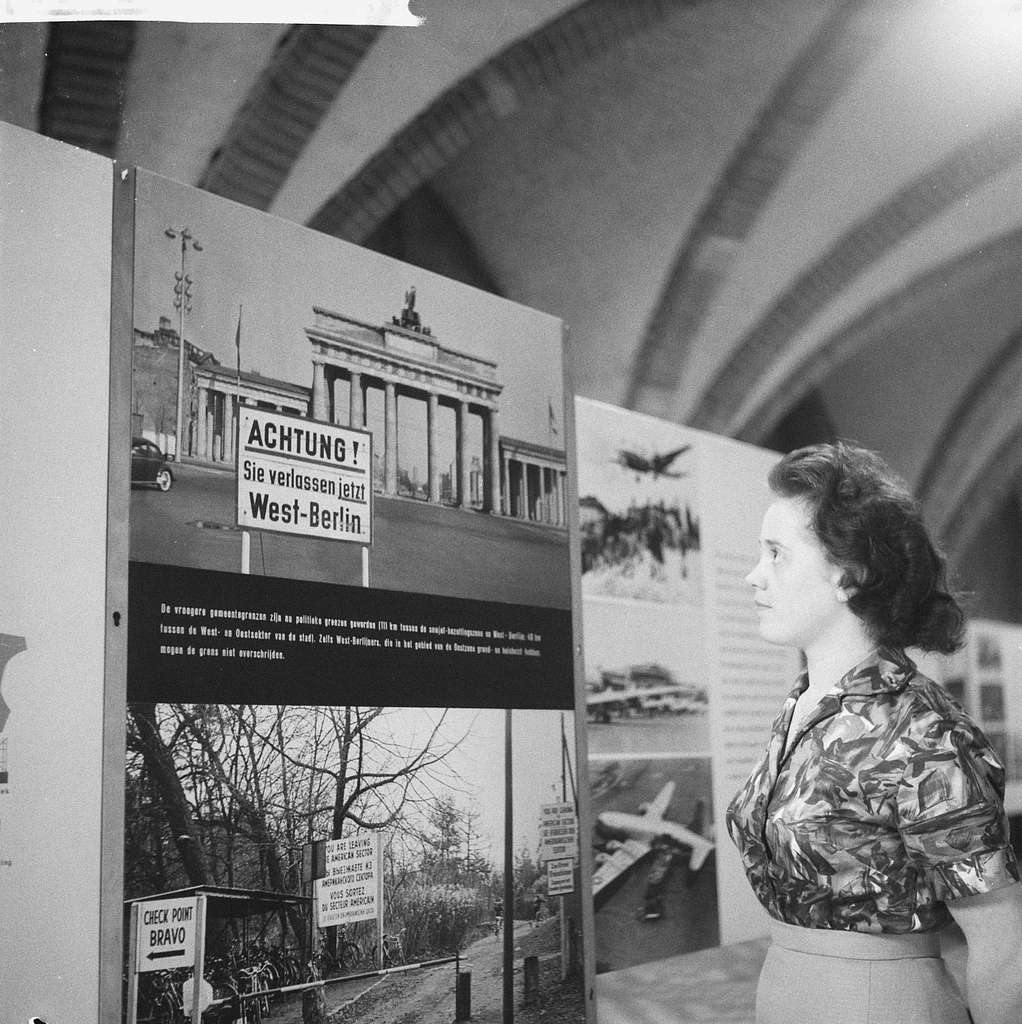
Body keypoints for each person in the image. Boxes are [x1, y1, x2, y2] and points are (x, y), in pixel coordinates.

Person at [725, 441, 1022, 1024]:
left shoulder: (918, 729)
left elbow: (1002, 938)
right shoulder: (803, 708)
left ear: (849, 576)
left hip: (877, 1004)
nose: (753, 576)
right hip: (788, 989)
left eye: (776, 554)